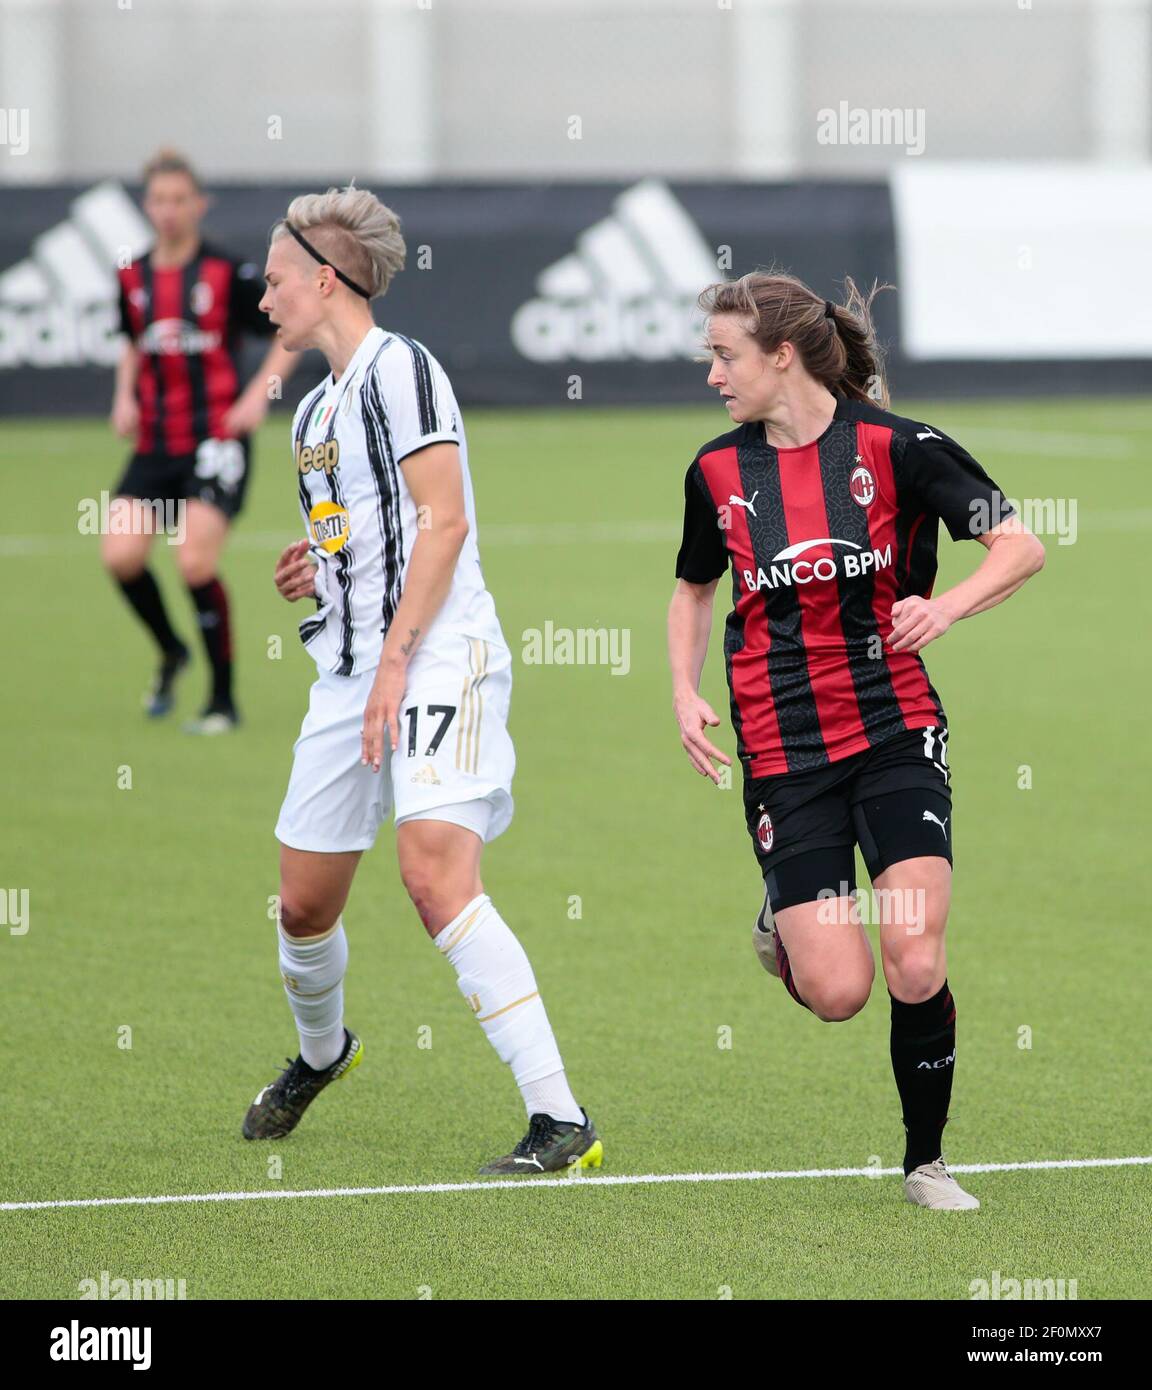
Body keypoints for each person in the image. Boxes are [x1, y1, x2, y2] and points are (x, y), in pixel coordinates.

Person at [243, 184, 601, 1176]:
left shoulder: (403, 369)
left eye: (273, 280)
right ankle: (324, 1056)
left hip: (438, 656)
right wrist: (312, 567)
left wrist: (398, 661)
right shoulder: (314, 407)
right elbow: (367, 535)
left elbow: (444, 522)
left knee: (434, 873)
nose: (261, 297)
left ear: (324, 278)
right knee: (303, 905)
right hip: (348, 672)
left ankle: (560, 1118)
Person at [668, 270, 1044, 1210]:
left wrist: (945, 606)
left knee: (916, 954)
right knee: (838, 990)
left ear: (782, 355)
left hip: (893, 727)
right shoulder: (717, 469)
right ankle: (781, 929)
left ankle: (925, 1163)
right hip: (782, 744)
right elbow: (693, 589)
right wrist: (682, 690)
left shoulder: (902, 447)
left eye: (724, 356)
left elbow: (1019, 544)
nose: (711, 375)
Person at [104, 148, 299, 732]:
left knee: (193, 561)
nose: (169, 211)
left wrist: (256, 397)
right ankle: (172, 649)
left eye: (179, 199)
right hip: (156, 443)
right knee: (120, 554)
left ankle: (222, 702)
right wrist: (124, 396)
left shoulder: (228, 273)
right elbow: (133, 343)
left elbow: (286, 333)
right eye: (159, 200)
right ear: (148, 205)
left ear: (199, 204)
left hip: (216, 440)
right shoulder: (133, 276)